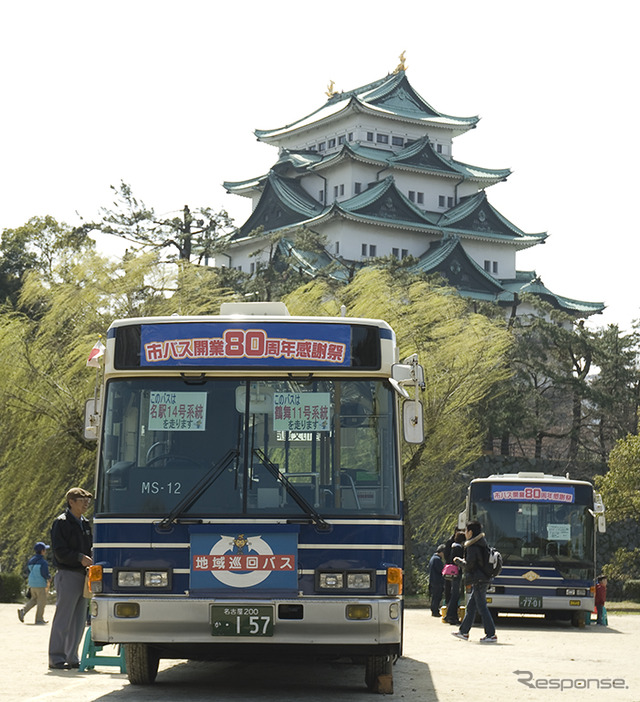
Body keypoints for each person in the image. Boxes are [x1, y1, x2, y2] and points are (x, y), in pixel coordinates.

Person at [48, 487, 93, 670]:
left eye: (87, 500)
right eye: (82, 500)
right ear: (71, 502)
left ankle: (72, 657)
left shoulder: (85, 523)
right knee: (64, 619)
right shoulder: (62, 522)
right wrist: (79, 558)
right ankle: (56, 658)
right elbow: (59, 552)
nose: (86, 503)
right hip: (68, 574)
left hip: (84, 576)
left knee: (79, 620)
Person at [451, 520, 497, 643]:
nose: (465, 533)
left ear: (470, 532)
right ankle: (464, 632)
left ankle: (491, 634)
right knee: (471, 607)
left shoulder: (473, 546)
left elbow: (470, 565)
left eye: (466, 530)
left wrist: (458, 561)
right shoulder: (482, 544)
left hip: (478, 579)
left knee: (482, 607)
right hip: (483, 578)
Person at [18, 542, 51, 624]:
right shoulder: (43, 562)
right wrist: (49, 577)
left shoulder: (31, 560)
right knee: (41, 602)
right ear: (42, 551)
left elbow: (28, 571)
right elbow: (44, 573)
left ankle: (23, 611)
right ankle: (39, 619)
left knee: (34, 600)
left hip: (32, 583)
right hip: (40, 584)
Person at [443, 531, 466, 625]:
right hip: (456, 573)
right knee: (455, 595)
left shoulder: (452, 546)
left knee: (454, 594)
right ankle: (451, 616)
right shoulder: (458, 548)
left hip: (452, 573)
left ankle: (450, 615)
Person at [428, 544, 446, 617]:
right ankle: (435, 611)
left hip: (433, 581)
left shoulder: (433, 558)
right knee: (437, 597)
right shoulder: (437, 560)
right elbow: (441, 570)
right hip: (437, 581)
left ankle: (434, 609)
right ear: (441, 552)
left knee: (435, 596)